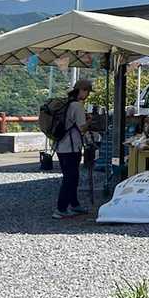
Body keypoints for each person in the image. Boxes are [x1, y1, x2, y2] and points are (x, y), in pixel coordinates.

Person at [53, 79, 92, 219]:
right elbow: (82, 128)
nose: (87, 95)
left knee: (71, 177)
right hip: (72, 147)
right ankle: (61, 208)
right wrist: (90, 121)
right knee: (70, 178)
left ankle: (74, 204)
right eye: (87, 91)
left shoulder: (67, 104)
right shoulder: (77, 106)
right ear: (81, 90)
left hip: (60, 146)